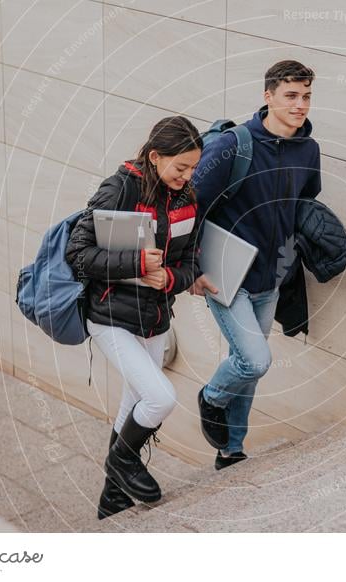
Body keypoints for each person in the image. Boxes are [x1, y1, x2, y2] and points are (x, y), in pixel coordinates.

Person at [65, 116, 203, 519]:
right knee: (160, 397)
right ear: (156, 156)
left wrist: (171, 278)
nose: (187, 176)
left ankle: (112, 499)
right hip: (109, 316)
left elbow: (192, 260)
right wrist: (137, 263)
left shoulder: (187, 198)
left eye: (193, 168)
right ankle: (121, 462)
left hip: (154, 317)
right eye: (180, 168)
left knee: (134, 401)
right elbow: (78, 255)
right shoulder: (120, 188)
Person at [189, 60, 321, 470]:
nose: (300, 105)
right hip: (226, 276)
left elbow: (305, 202)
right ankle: (210, 398)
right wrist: (192, 268)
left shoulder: (309, 149)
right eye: (291, 96)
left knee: (247, 364)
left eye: (306, 97)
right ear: (268, 96)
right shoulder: (233, 145)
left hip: (271, 278)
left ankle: (231, 450)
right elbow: (190, 205)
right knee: (255, 360)